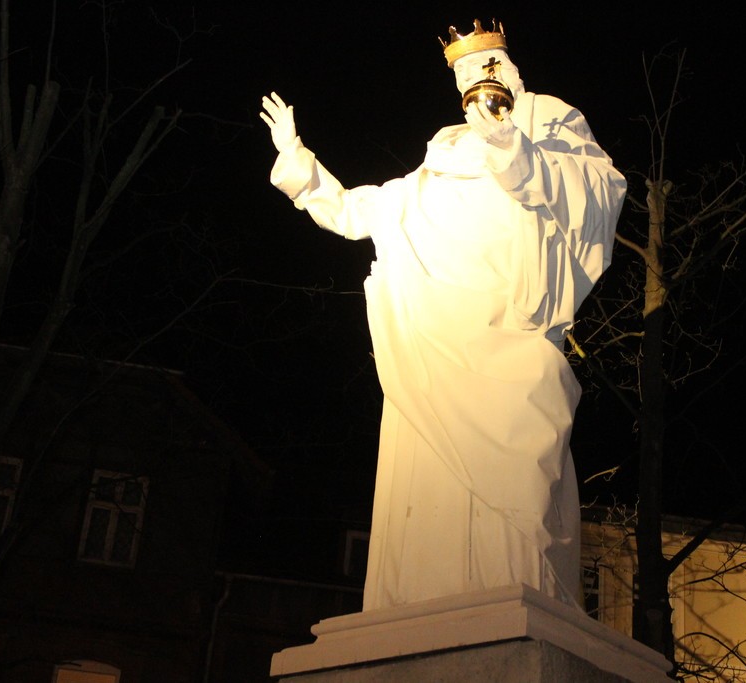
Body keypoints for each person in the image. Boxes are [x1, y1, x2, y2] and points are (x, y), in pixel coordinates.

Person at [261, 19, 626, 611]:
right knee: (431, 480)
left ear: (510, 69)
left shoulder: (546, 123)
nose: (480, 78)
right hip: (436, 340)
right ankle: (426, 598)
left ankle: (512, 592)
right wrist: (301, 168)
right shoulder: (438, 162)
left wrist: (515, 152)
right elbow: (361, 211)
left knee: (520, 486)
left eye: (489, 65)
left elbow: (596, 189)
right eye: (466, 73)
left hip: (511, 339)